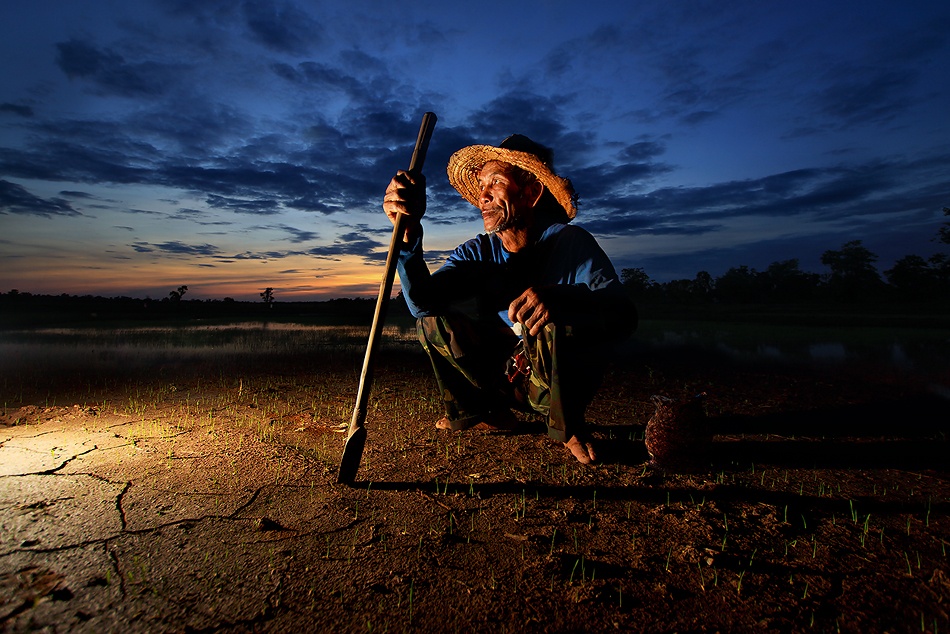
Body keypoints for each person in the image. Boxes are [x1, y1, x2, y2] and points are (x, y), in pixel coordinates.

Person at [383, 134, 636, 464]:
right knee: (432, 323)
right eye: (481, 186)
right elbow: (423, 304)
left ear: (531, 193)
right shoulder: (477, 252)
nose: (483, 196)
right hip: (502, 375)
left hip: (554, 382)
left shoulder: (571, 243)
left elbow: (623, 315)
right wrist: (407, 235)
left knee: (552, 321)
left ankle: (567, 426)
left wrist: (565, 298)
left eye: (496, 182)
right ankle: (484, 409)